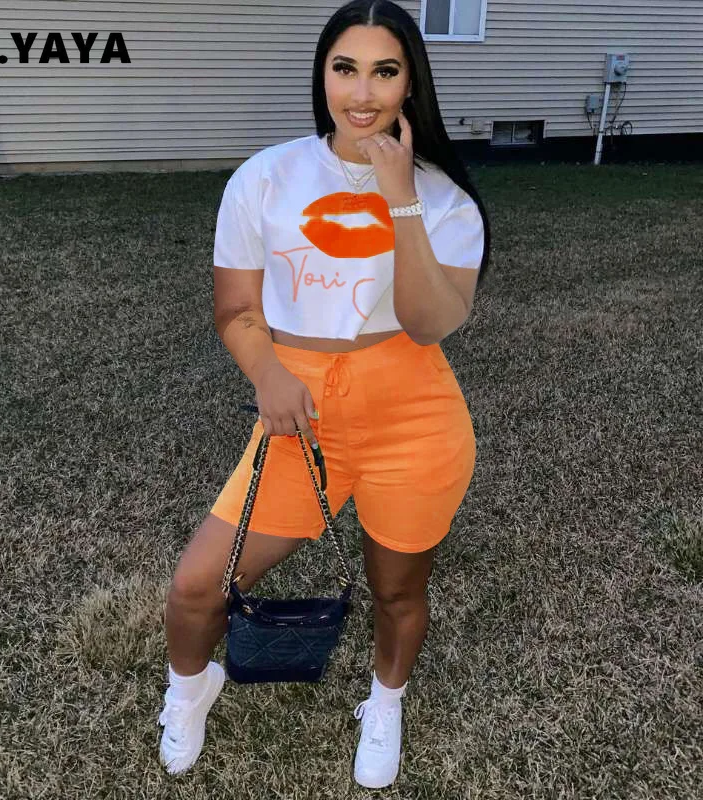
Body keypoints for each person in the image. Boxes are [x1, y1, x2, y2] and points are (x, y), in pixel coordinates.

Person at [158, 0, 491, 789]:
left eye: (384, 71)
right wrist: (271, 375)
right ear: (323, 76)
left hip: (412, 414)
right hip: (297, 412)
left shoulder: (446, 200)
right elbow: (237, 310)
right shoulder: (266, 177)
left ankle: (386, 703)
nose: (362, 92)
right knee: (198, 586)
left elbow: (429, 321)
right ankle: (189, 691)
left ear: (410, 84)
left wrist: (399, 194)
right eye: (346, 68)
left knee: (398, 589)